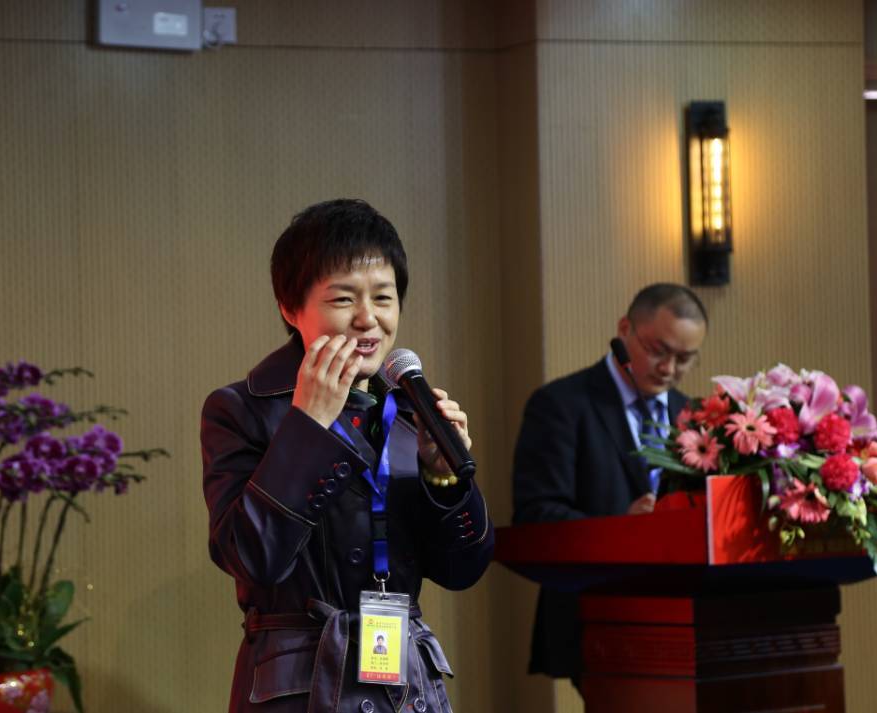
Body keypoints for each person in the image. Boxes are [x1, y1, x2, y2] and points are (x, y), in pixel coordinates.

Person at [202, 199, 494, 713]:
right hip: (299, 686)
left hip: (405, 685)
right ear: (290, 308)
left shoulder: (410, 411)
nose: (368, 319)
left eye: (383, 297)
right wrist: (307, 428)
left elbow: (462, 570)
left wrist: (444, 480)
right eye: (343, 299)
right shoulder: (242, 409)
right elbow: (249, 557)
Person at [510, 283, 708, 687]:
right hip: (596, 617)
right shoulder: (561, 405)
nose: (668, 369)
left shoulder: (694, 415)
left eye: (685, 358)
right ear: (624, 330)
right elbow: (535, 516)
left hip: (689, 620)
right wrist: (621, 527)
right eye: (658, 350)